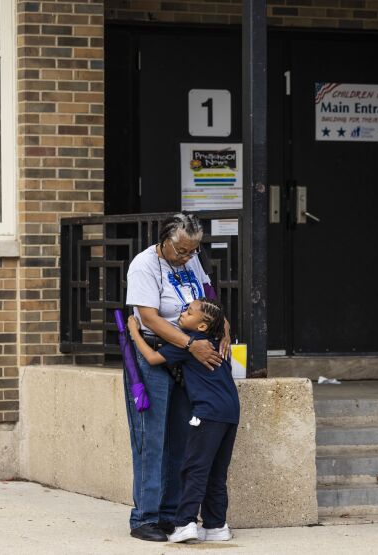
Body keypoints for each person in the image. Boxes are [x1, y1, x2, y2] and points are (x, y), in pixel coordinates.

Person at [123, 212, 230, 542]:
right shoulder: (144, 265)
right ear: (164, 241)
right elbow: (149, 318)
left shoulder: (191, 260)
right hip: (158, 353)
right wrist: (191, 343)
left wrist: (224, 330)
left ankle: (172, 515)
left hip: (189, 360)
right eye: (181, 250)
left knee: (182, 437)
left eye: (192, 251)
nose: (186, 257)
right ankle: (145, 517)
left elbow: (209, 299)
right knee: (152, 438)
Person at [128, 298, 239, 543]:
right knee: (216, 472)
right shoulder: (218, 343)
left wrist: (134, 332)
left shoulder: (190, 344)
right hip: (230, 412)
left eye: (188, 312)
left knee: (194, 469)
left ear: (201, 327)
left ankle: (185, 522)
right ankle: (216, 525)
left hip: (207, 413)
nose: (182, 313)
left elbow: (153, 359)